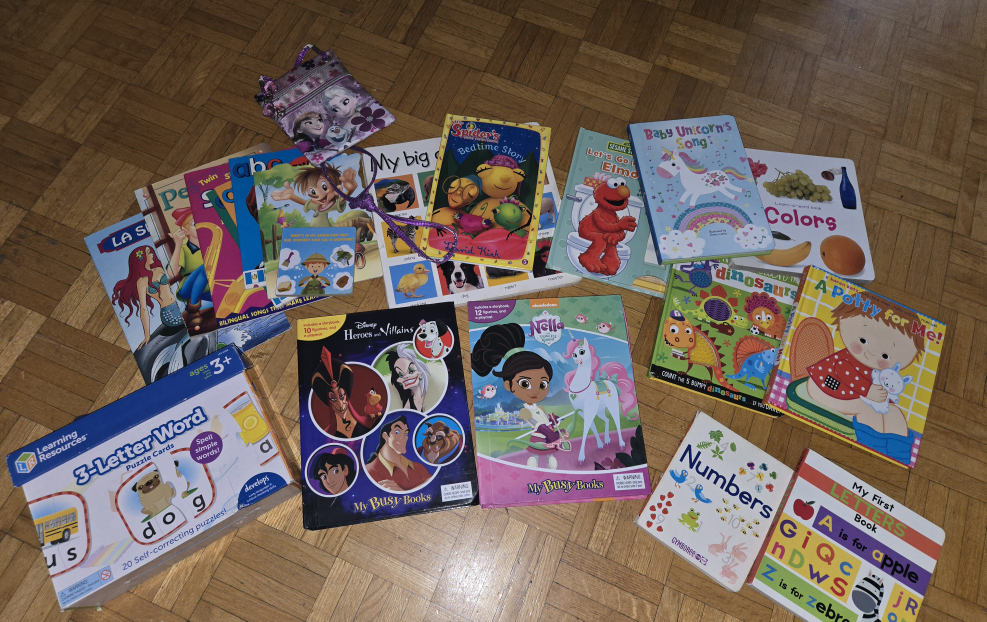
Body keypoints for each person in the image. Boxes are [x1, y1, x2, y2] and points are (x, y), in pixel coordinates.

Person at [804, 302, 924, 463]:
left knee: (894, 412)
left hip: (856, 394)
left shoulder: (877, 371)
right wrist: (868, 390)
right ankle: (875, 448)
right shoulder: (847, 360)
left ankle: (899, 454)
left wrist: (880, 397)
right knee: (867, 410)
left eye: (885, 356)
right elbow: (843, 371)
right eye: (863, 340)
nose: (871, 353)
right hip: (826, 387)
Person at [471, 324, 569, 470]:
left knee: (550, 454)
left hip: (549, 437)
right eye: (525, 383)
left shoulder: (539, 407)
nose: (536, 391)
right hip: (539, 438)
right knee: (536, 454)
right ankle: (533, 467)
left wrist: (554, 421)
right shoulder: (524, 411)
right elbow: (537, 424)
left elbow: (546, 421)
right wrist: (549, 432)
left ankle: (550, 466)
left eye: (543, 384)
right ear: (508, 385)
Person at [112, 246, 185, 350]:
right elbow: (143, 308)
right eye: (149, 253)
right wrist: (147, 335)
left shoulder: (159, 269)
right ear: (141, 258)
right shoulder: (142, 281)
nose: (152, 255)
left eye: (151, 252)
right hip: (170, 313)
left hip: (180, 303)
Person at [310, 348, 380, 438]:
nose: (340, 404)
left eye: (342, 396)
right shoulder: (326, 436)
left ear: (346, 395)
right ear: (329, 401)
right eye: (333, 399)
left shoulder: (371, 423)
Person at [167, 206, 212, 329]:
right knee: (205, 267)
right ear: (185, 231)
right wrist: (178, 244)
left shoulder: (212, 244)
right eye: (194, 224)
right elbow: (171, 273)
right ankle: (193, 310)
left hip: (208, 289)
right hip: (188, 289)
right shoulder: (183, 249)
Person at [270, 165, 358, 228]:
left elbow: (341, 200)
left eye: (324, 187)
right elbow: (304, 202)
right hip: (313, 234)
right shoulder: (316, 205)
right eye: (312, 191)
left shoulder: (330, 205)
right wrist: (291, 196)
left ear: (337, 190)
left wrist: (350, 190)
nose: (318, 194)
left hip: (326, 233)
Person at [365, 415, 431, 492]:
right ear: (385, 436)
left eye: (405, 434)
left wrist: (402, 492)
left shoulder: (418, 468)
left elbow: (435, 486)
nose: (403, 437)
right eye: (397, 432)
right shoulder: (370, 471)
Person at [385, 344, 430, 411]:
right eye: (401, 375)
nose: (406, 376)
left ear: (420, 372)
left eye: (411, 371)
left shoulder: (431, 396)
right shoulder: (408, 404)